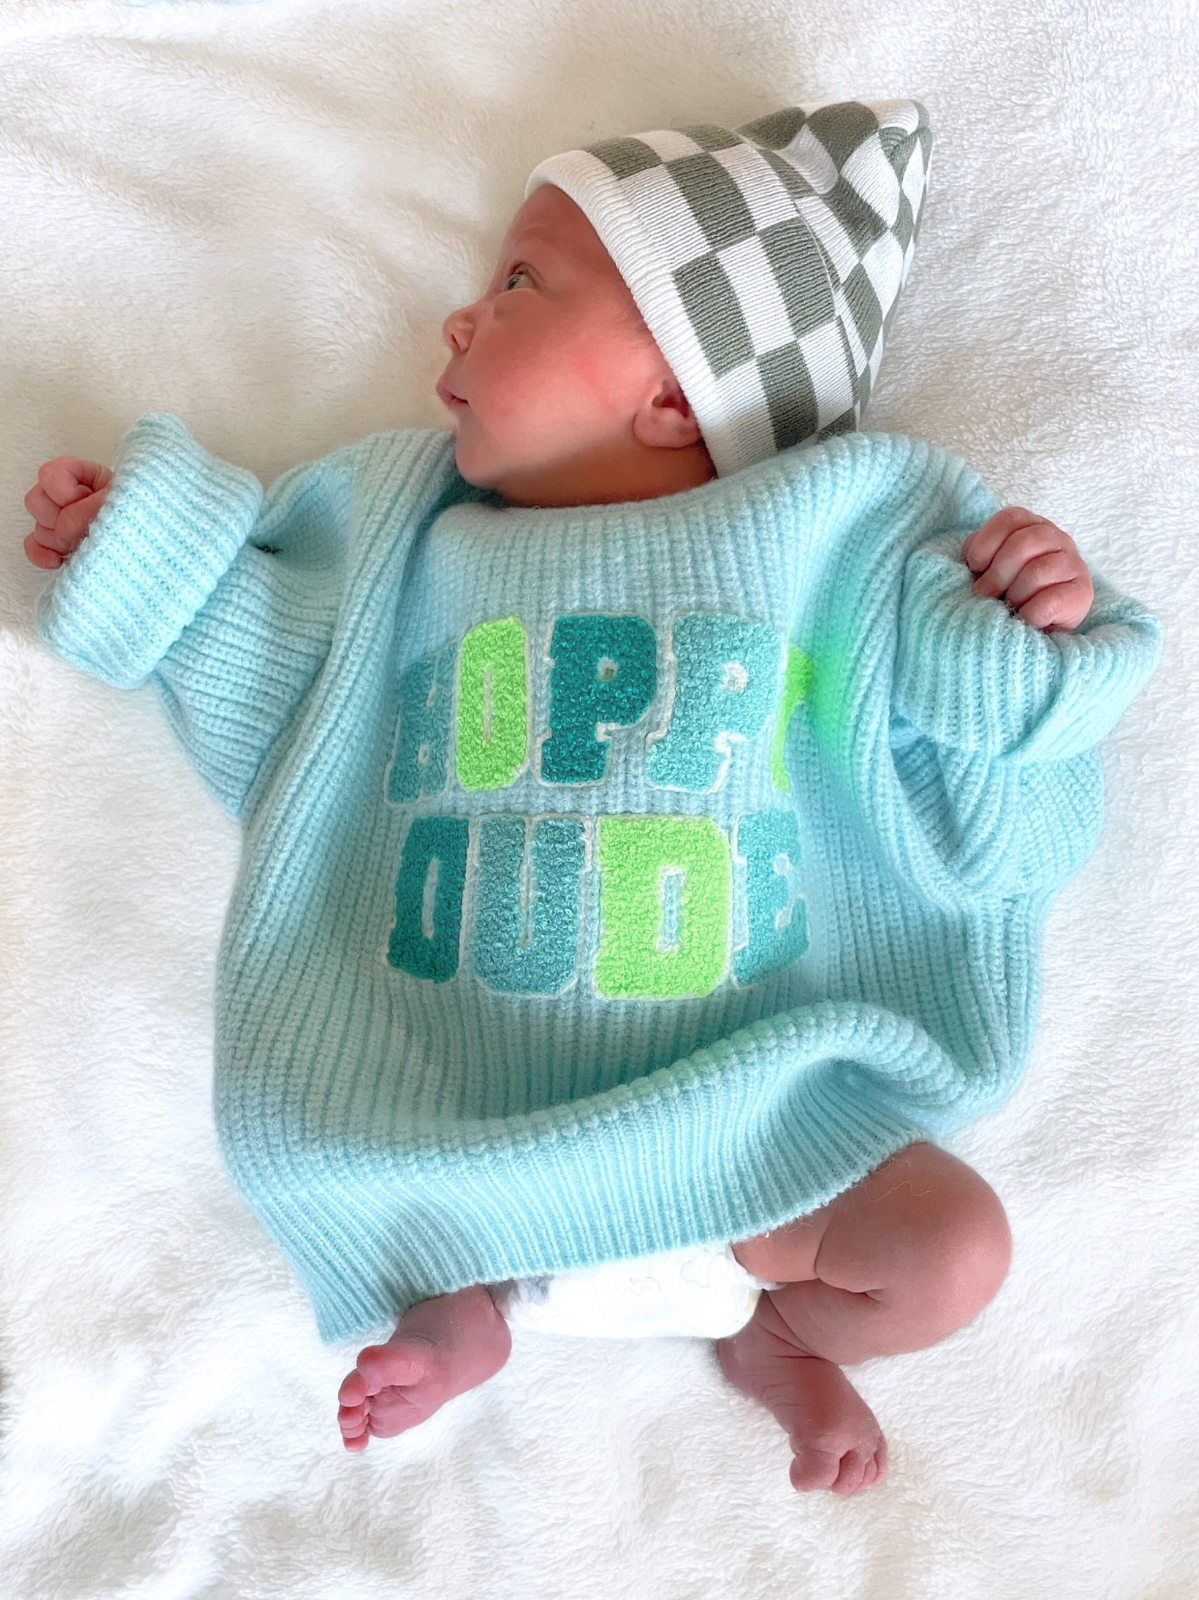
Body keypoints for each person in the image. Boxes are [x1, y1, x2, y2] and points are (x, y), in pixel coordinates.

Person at [23, 102, 1160, 1497]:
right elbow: (276, 678)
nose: (454, 320)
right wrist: (142, 556)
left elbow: (987, 813)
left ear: (676, 395)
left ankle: (774, 1337)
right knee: (441, 1237)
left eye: (516, 285)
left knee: (953, 1249)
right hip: (471, 1104)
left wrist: (1012, 651)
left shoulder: (822, 555)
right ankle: (477, 1310)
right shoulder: (409, 539)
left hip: (763, 1127)